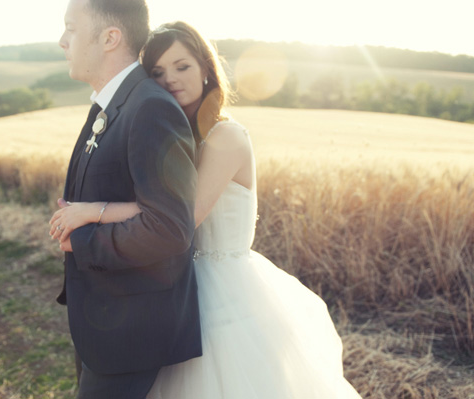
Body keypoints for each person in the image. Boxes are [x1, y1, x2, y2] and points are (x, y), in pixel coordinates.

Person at [51, 21, 361, 398]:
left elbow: (182, 215)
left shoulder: (225, 137)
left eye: (183, 66)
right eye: (159, 72)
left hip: (225, 291)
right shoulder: (180, 134)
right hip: (181, 281)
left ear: (206, 69)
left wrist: (92, 211)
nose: (171, 80)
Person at [53, 3, 202, 398]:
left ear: (110, 38)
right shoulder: (110, 104)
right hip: (101, 317)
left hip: (131, 329)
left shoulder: (150, 107)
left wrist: (81, 241)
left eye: (71, 28)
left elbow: (169, 228)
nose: (62, 40)